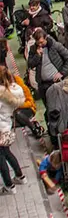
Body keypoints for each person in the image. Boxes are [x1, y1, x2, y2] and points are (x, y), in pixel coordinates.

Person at [0, 65, 26, 194]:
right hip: (7, 125)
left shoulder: (1, 94)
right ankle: (20, 176)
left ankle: (9, 186)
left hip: (0, 128)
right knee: (7, 152)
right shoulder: (15, 90)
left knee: (1, 158)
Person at [28, 29, 68, 103]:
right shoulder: (33, 49)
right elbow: (30, 64)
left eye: (41, 42)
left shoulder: (55, 45)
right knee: (49, 108)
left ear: (46, 38)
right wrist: (37, 56)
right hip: (43, 85)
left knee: (64, 104)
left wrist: (62, 73)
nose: (40, 45)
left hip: (59, 82)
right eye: (38, 43)